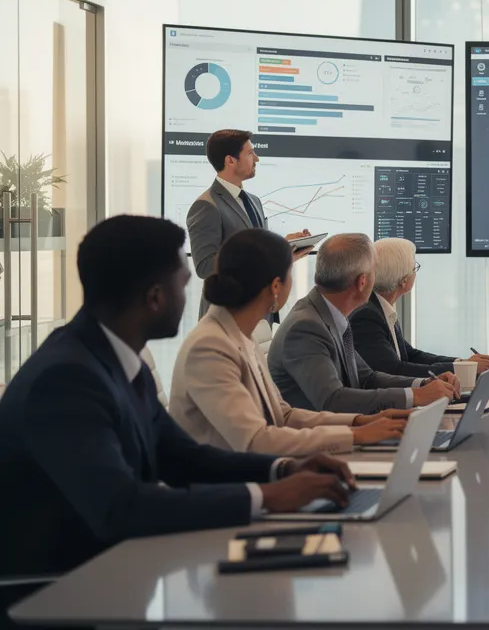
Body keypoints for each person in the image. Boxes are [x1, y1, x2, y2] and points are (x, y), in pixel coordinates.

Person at [0, 215, 354, 581]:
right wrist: (267, 497)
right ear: (154, 297)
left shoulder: (112, 357)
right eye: (184, 284)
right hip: (58, 591)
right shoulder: (66, 380)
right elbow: (120, 506)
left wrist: (283, 469)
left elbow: (181, 457)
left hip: (116, 570)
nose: (191, 297)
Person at [170, 229, 412, 455]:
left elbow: (283, 415)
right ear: (276, 286)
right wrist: (354, 434)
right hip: (225, 490)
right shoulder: (210, 346)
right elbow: (256, 440)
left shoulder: (241, 335)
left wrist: (359, 422)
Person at [268, 233, 458, 414]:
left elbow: (367, 378)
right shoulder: (306, 328)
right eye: (375, 270)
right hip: (317, 441)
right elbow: (333, 400)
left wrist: (424, 384)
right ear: (362, 281)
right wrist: (415, 396)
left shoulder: (330, 314)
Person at [186, 129, 311, 318]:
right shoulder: (206, 205)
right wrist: (264, 254)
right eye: (250, 153)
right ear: (230, 160)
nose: (257, 158)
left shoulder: (254, 201)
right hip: (228, 316)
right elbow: (204, 266)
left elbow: (259, 253)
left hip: (260, 312)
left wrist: (283, 250)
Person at [350, 237, 489, 379]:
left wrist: (462, 363)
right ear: (404, 280)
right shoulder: (366, 316)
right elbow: (394, 370)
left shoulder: (379, 307)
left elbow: (411, 355)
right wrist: (463, 368)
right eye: (415, 268)